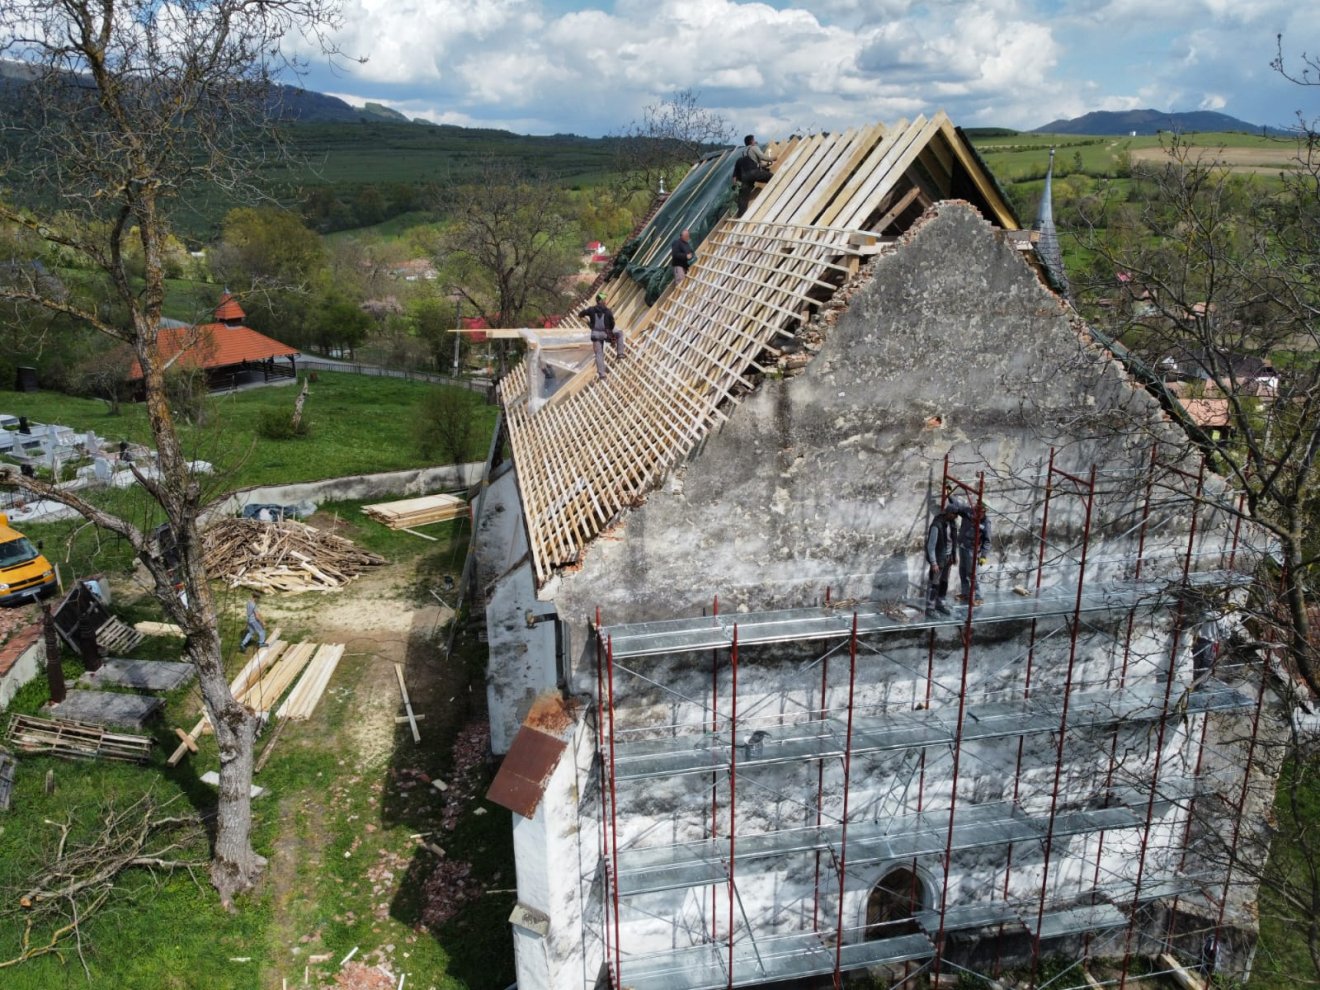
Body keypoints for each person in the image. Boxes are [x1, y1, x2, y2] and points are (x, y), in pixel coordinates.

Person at [949, 496, 992, 604]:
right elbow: (957, 505)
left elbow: (987, 541)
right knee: (962, 572)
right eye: (977, 507)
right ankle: (966, 593)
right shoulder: (968, 512)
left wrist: (983, 556)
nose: (977, 510)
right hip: (963, 546)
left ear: (984, 510)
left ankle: (978, 597)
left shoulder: (986, 523)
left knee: (972, 574)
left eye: (980, 509)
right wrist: (949, 493)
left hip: (972, 551)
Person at [579, 293, 623, 381]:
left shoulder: (591, 310)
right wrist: (611, 337)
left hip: (595, 335)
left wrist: (588, 323)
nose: (605, 301)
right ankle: (620, 353)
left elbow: (580, 314)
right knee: (620, 333)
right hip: (605, 334)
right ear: (600, 301)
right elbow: (612, 324)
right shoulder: (608, 311)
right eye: (604, 300)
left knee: (599, 354)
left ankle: (602, 375)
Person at [925, 506, 958, 615]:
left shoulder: (952, 524)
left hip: (948, 559)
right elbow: (931, 546)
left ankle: (940, 603)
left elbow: (953, 541)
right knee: (935, 583)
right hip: (939, 559)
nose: (956, 517)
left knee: (944, 582)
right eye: (954, 514)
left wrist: (954, 554)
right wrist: (934, 563)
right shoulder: (936, 525)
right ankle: (930, 607)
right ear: (948, 513)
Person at [734, 134, 775, 217]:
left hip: (745, 177)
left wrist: (765, 165)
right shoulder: (754, 147)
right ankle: (773, 194)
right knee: (772, 177)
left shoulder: (744, 153)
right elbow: (762, 156)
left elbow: (756, 163)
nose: (755, 141)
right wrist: (773, 158)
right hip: (754, 173)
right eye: (754, 140)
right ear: (751, 141)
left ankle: (740, 216)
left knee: (743, 198)